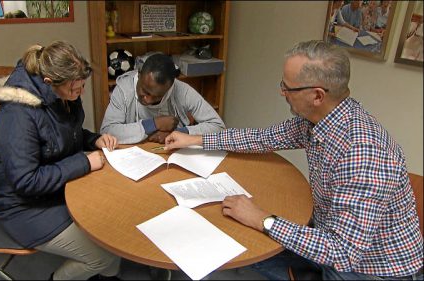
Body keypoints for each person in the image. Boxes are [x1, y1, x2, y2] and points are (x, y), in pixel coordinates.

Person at [163, 40, 423, 280]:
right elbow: (262, 138)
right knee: (239, 245)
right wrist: (195, 140)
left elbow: (343, 253)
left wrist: (263, 219)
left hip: (371, 269)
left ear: (318, 96)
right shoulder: (321, 120)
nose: (282, 92)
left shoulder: (363, 154)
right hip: (328, 233)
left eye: (288, 87)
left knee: (245, 246)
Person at [0, 40, 122, 280]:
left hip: (56, 189)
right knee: (104, 255)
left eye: (82, 86)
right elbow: (26, 181)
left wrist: (93, 140)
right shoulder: (17, 115)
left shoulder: (61, 94)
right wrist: (84, 163)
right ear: (49, 83)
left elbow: (61, 137)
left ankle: (101, 273)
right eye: (74, 89)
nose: (80, 93)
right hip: (23, 206)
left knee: (110, 228)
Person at [100, 53, 225, 144]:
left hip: (172, 153)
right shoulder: (123, 90)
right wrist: (154, 123)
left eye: (157, 96)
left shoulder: (182, 90)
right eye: (145, 91)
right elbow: (107, 131)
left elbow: (218, 127)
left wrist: (180, 132)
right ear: (139, 74)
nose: (148, 100)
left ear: (171, 87)